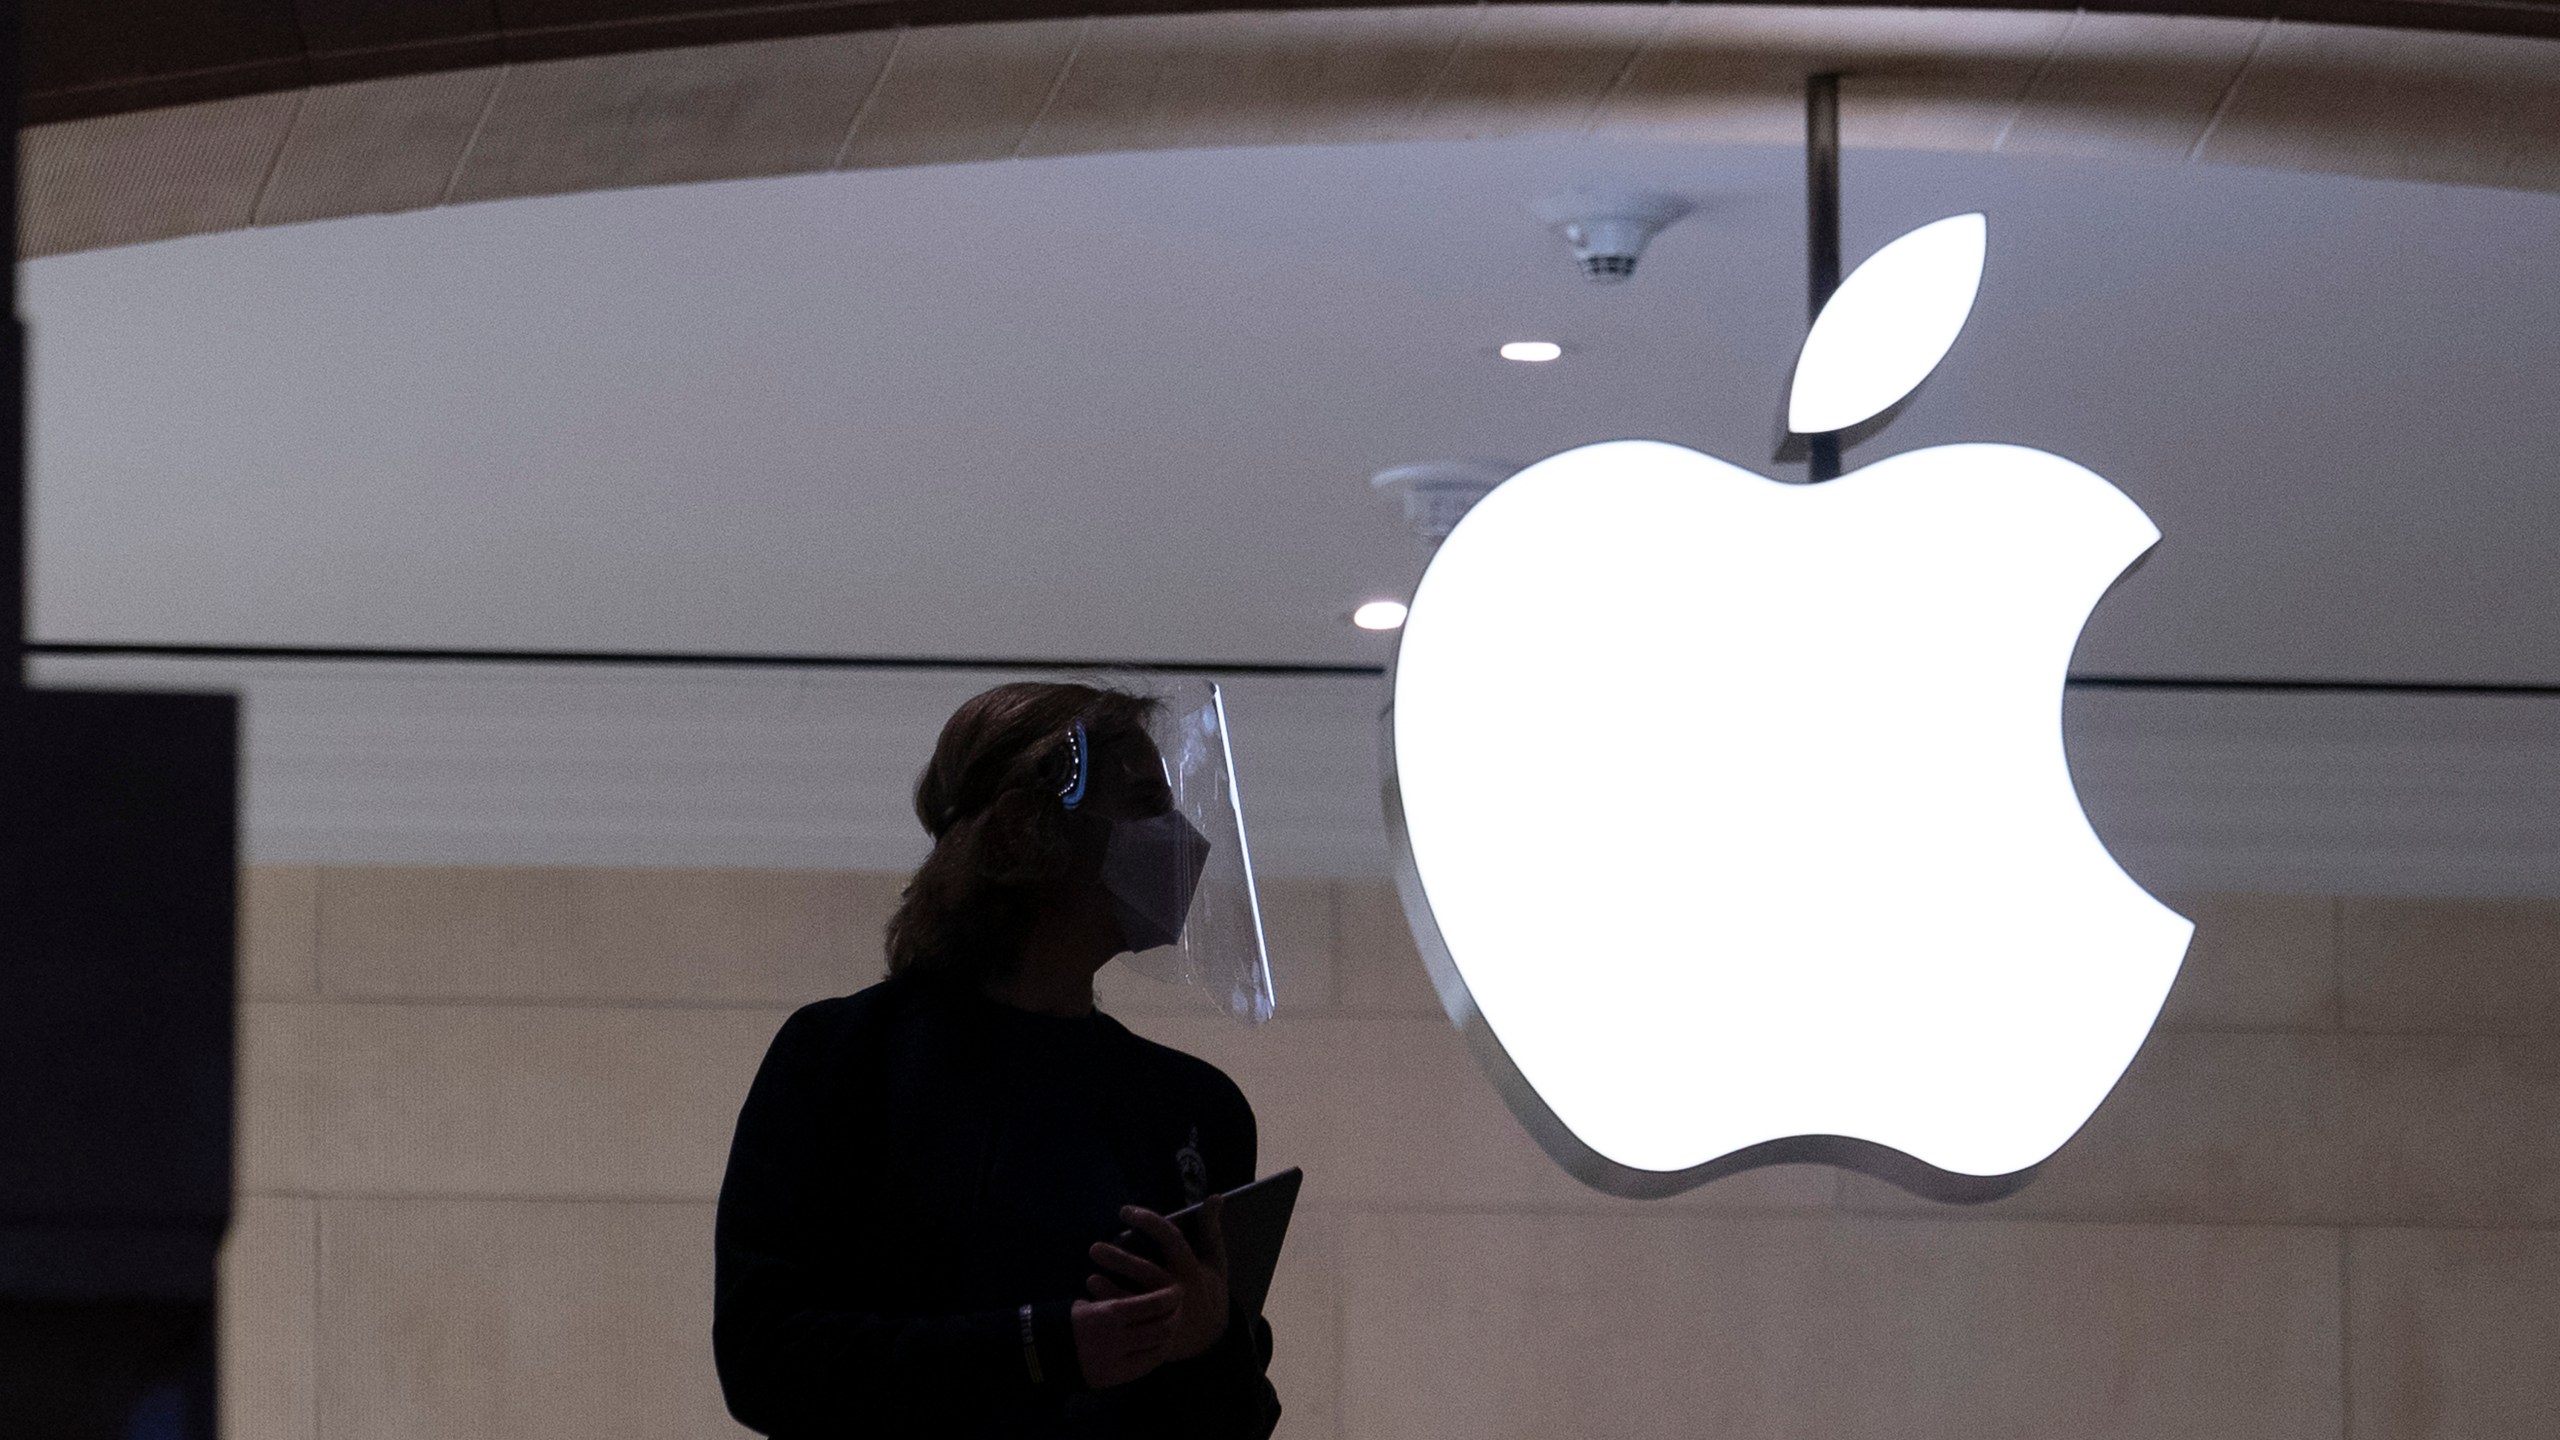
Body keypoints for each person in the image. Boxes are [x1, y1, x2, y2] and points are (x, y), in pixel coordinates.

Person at [712, 682, 1282, 1439]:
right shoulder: (844, 1061)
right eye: (1145, 804)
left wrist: (1208, 1342)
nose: (1178, 838)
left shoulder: (1195, 1108)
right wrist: (1042, 1348)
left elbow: (1235, 1425)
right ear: (1023, 832)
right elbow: (766, 1361)